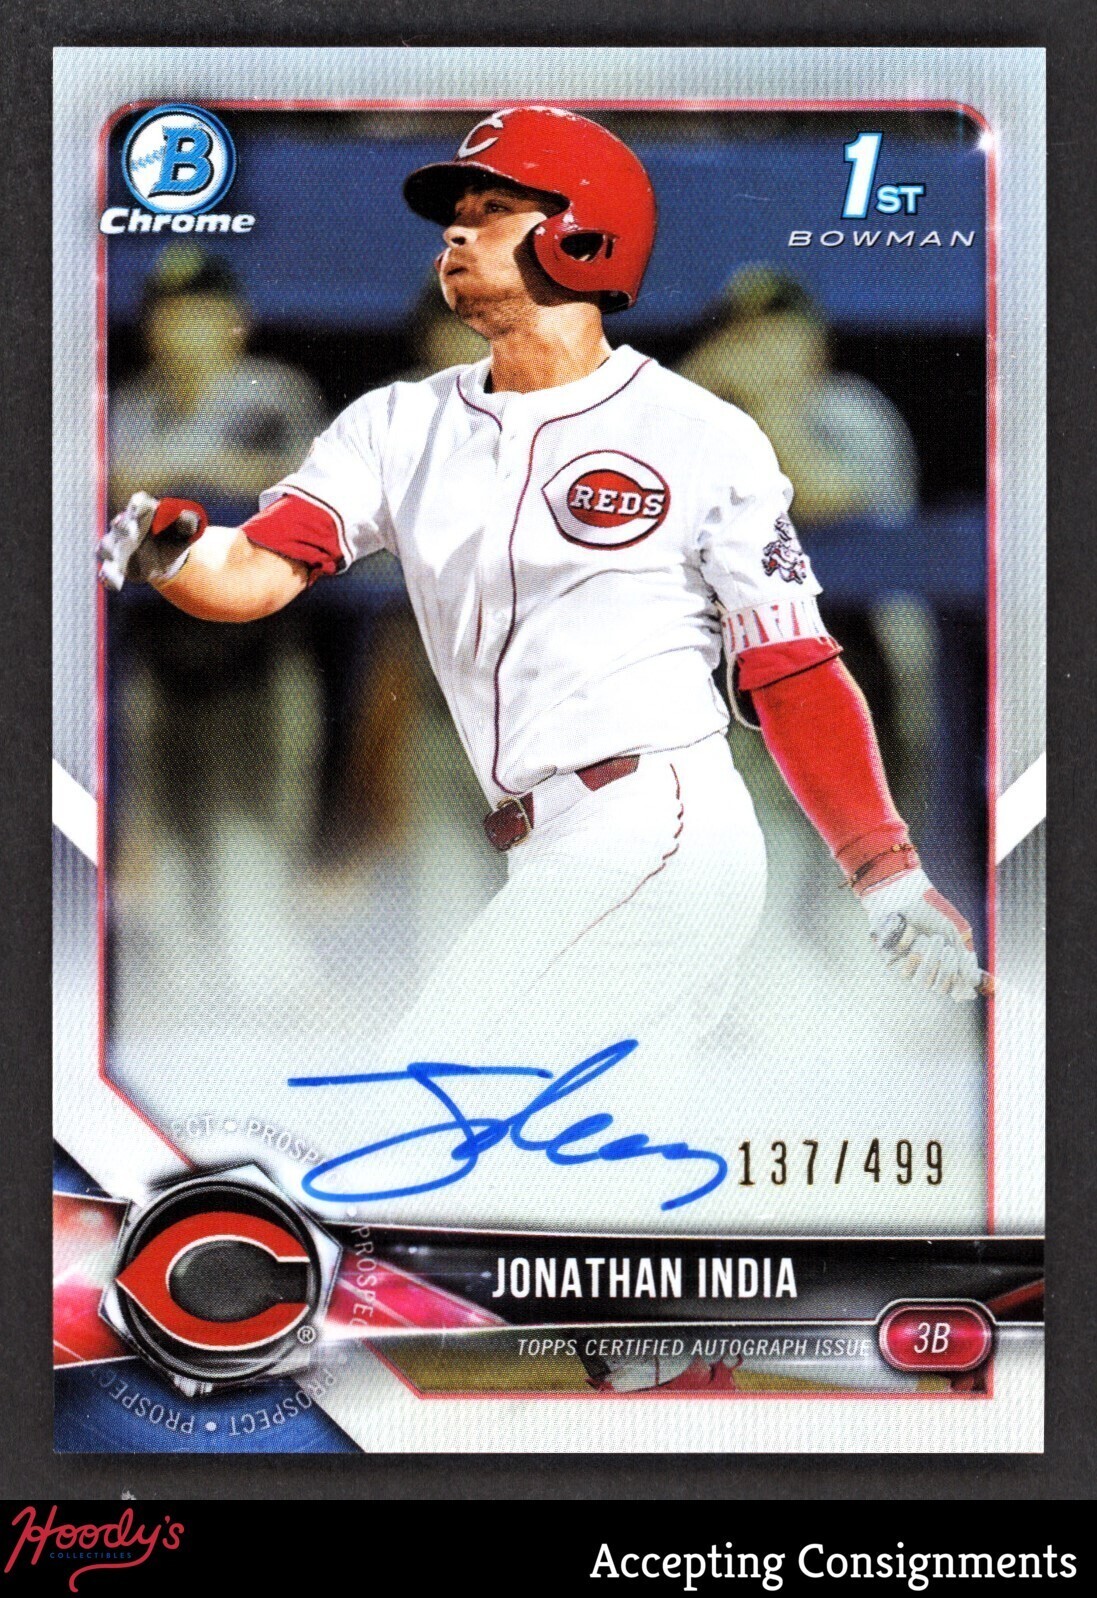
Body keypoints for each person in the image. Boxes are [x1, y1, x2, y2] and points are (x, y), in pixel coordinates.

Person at [98, 107, 984, 1297]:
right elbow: (257, 571)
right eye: (453, 220)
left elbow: (791, 665)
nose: (454, 240)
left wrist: (884, 869)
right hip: (542, 830)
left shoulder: (698, 433)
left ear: (582, 239)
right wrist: (173, 548)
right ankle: (663, 1347)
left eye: (489, 216)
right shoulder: (396, 424)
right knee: (587, 1137)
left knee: (442, 1096)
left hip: (662, 820)